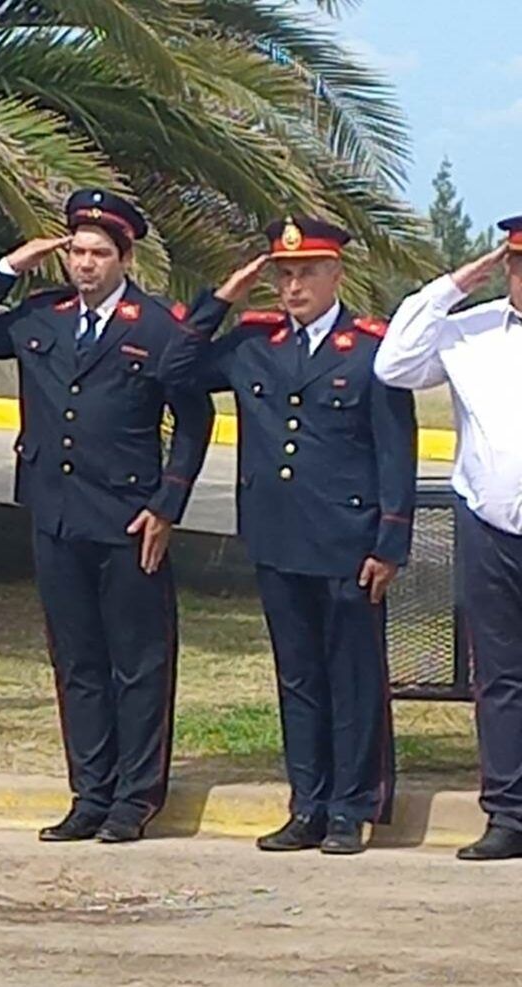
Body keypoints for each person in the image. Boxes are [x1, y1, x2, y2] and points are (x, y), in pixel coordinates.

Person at [0, 190, 216, 844]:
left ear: (125, 256)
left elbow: (195, 418)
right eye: (76, 252)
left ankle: (134, 797)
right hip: (56, 514)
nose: (85, 264)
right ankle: (89, 792)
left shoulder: (155, 325)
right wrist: (8, 268)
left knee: (138, 659)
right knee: (77, 660)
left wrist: (168, 503)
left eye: (99, 253)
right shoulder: (44, 316)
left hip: (128, 516)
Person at [189, 218, 417, 855]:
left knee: (352, 677)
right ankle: (307, 803)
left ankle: (350, 808)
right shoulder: (251, 344)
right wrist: (224, 298)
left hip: (348, 541)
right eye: (284, 275)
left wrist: (389, 541)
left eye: (307, 273)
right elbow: (175, 365)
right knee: (299, 677)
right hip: (277, 536)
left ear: (335, 275)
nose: (293, 287)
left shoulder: (371, 348)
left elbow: (395, 451)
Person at [375, 222, 522, 861]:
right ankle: (511, 814)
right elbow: (394, 363)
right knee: (501, 676)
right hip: (491, 526)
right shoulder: (471, 330)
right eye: (515, 264)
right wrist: (458, 283)